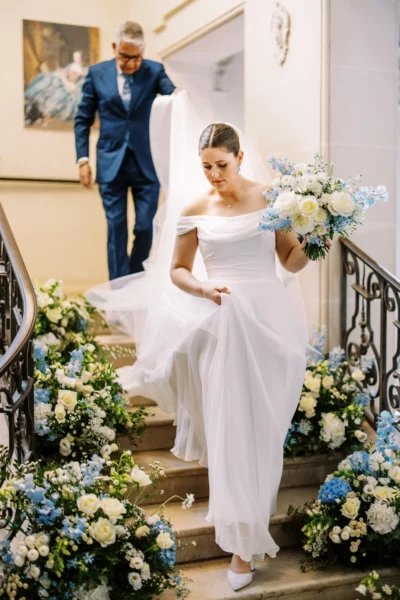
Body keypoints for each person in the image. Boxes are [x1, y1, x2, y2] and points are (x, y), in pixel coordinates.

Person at [85, 94, 309, 592]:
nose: (213, 175)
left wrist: (313, 243)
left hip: (271, 323)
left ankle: (252, 519)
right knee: (231, 430)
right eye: (205, 166)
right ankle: (240, 547)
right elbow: (178, 271)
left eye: (221, 165)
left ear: (240, 158)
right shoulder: (193, 208)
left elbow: (290, 260)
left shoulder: (272, 201)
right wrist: (204, 288)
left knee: (264, 435)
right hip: (223, 324)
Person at [74, 21, 178, 280]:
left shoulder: (154, 71)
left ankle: (135, 281)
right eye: (125, 56)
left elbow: (172, 95)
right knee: (116, 229)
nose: (131, 63)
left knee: (145, 227)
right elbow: (83, 119)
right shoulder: (97, 74)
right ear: (114, 47)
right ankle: (120, 292)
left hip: (146, 163)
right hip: (111, 163)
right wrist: (83, 160)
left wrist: (180, 95)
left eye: (137, 57)